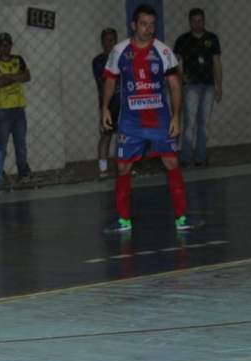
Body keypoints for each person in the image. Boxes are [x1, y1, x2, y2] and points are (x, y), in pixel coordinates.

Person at [101, 4, 197, 232]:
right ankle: (124, 221)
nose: (148, 29)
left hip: (160, 120)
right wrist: (104, 108)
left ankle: (181, 218)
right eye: (144, 24)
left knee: (171, 162)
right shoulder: (119, 51)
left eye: (152, 25)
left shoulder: (164, 52)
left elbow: (175, 86)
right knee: (123, 167)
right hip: (130, 122)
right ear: (133, 25)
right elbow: (110, 80)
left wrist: (175, 117)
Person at [174, 8, 222, 167]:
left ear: (204, 20)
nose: (197, 23)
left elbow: (217, 63)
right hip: (191, 87)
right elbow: (175, 63)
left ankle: (201, 157)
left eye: (200, 20)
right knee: (189, 123)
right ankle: (186, 158)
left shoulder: (212, 38)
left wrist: (219, 85)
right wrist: (181, 79)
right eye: (194, 21)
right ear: (190, 22)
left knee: (204, 123)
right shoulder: (182, 40)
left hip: (209, 85)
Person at [0, 32, 32, 187]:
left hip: (19, 107)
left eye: (7, 44)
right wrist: (16, 76)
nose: (4, 47)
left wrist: (8, 76)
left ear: (11, 45)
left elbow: (27, 76)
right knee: (1, 144)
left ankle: (24, 173)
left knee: (20, 144)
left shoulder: (18, 59)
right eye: (1, 45)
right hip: (3, 110)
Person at [92, 27, 119, 180]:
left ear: (116, 41)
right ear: (102, 42)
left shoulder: (123, 57)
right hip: (107, 106)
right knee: (106, 136)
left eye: (112, 40)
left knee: (124, 137)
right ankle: (103, 169)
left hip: (123, 105)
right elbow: (105, 81)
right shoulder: (98, 61)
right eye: (106, 40)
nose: (109, 43)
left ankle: (123, 166)